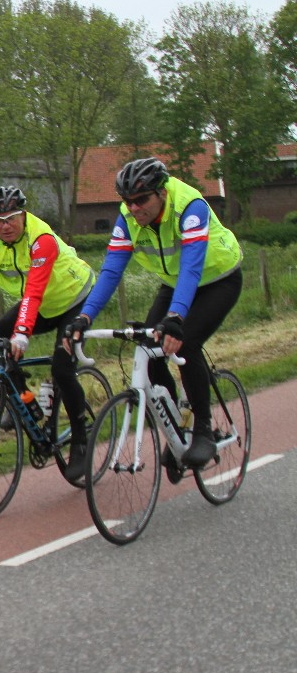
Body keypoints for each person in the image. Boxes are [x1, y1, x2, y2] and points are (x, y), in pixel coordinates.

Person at [64, 157, 242, 470]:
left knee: (185, 343)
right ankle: (176, 426)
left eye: (141, 200)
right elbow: (111, 271)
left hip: (218, 279)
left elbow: (191, 266)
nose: (134, 208)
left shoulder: (190, 207)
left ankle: (203, 429)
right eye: (128, 201)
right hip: (175, 282)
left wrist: (176, 318)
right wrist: (85, 317)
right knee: (150, 349)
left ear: (162, 192)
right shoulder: (128, 218)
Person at [0, 186, 96, 481]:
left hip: (75, 300)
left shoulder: (41, 239)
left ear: (24, 215)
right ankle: (22, 400)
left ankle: (80, 441)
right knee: (2, 330)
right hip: (43, 304)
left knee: (62, 369)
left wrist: (23, 332)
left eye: (11, 218)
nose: (5, 226)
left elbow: (33, 291)